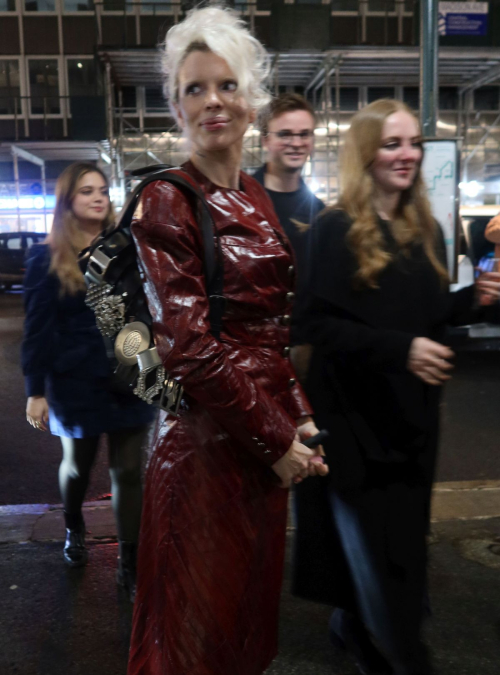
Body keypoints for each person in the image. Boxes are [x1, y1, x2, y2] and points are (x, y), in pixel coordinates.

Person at [127, 6, 328, 675]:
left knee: (244, 628)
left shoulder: (253, 194)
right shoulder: (167, 200)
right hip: (202, 451)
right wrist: (278, 440)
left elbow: (270, 326)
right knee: (192, 639)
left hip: (254, 440)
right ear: (177, 110)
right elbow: (189, 348)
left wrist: (299, 420)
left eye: (227, 85)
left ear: (251, 102)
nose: (213, 100)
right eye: (194, 88)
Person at [292, 99, 500, 675]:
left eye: (413, 143)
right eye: (391, 144)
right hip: (355, 427)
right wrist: (401, 350)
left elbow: (425, 316)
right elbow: (312, 326)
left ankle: (357, 632)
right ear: (366, 153)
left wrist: (473, 301)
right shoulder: (334, 229)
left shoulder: (427, 228)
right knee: (383, 570)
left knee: (401, 553)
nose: (407, 155)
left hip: (412, 427)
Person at [22, 162, 155, 599]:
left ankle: (130, 565)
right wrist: (35, 391)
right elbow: (38, 327)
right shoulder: (46, 256)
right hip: (74, 379)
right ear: (67, 202)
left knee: (129, 469)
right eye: (86, 191)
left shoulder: (127, 249)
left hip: (130, 371)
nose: (98, 197)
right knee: (78, 466)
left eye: (102, 190)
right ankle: (74, 524)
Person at [254, 94, 324, 378]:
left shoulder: (321, 215)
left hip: (305, 356)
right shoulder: (236, 204)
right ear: (265, 140)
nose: (296, 143)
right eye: (285, 134)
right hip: (249, 354)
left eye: (304, 134)